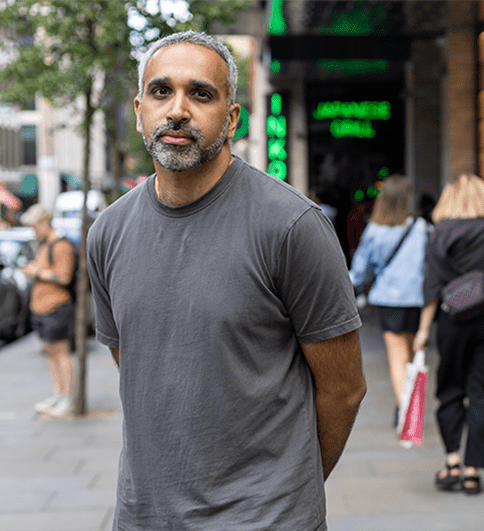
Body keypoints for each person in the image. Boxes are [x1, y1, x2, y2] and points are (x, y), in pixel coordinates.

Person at [86, 31, 366, 530]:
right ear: (138, 110)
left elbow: (343, 388)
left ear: (232, 117)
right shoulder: (108, 232)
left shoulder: (292, 226)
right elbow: (135, 365)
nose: (176, 110)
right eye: (160, 91)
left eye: (200, 93)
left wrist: (285, 494)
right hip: (144, 517)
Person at [412, 173, 484, 495]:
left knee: (450, 389)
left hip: (452, 319)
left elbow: (431, 286)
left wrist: (422, 331)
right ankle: (474, 470)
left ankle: (452, 461)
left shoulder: (439, 233)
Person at [349, 175, 429, 425]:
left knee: (397, 356)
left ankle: (405, 411)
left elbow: (360, 269)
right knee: (411, 352)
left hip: (388, 299)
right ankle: (410, 407)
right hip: (416, 299)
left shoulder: (375, 229)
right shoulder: (421, 228)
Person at [20, 204, 76, 418]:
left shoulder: (60, 246)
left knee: (61, 352)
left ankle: (67, 395)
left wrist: (38, 272)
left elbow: (64, 277)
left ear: (45, 222)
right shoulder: (44, 245)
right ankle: (58, 392)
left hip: (57, 307)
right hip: (42, 308)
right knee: (51, 352)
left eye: (35, 227)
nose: (34, 231)